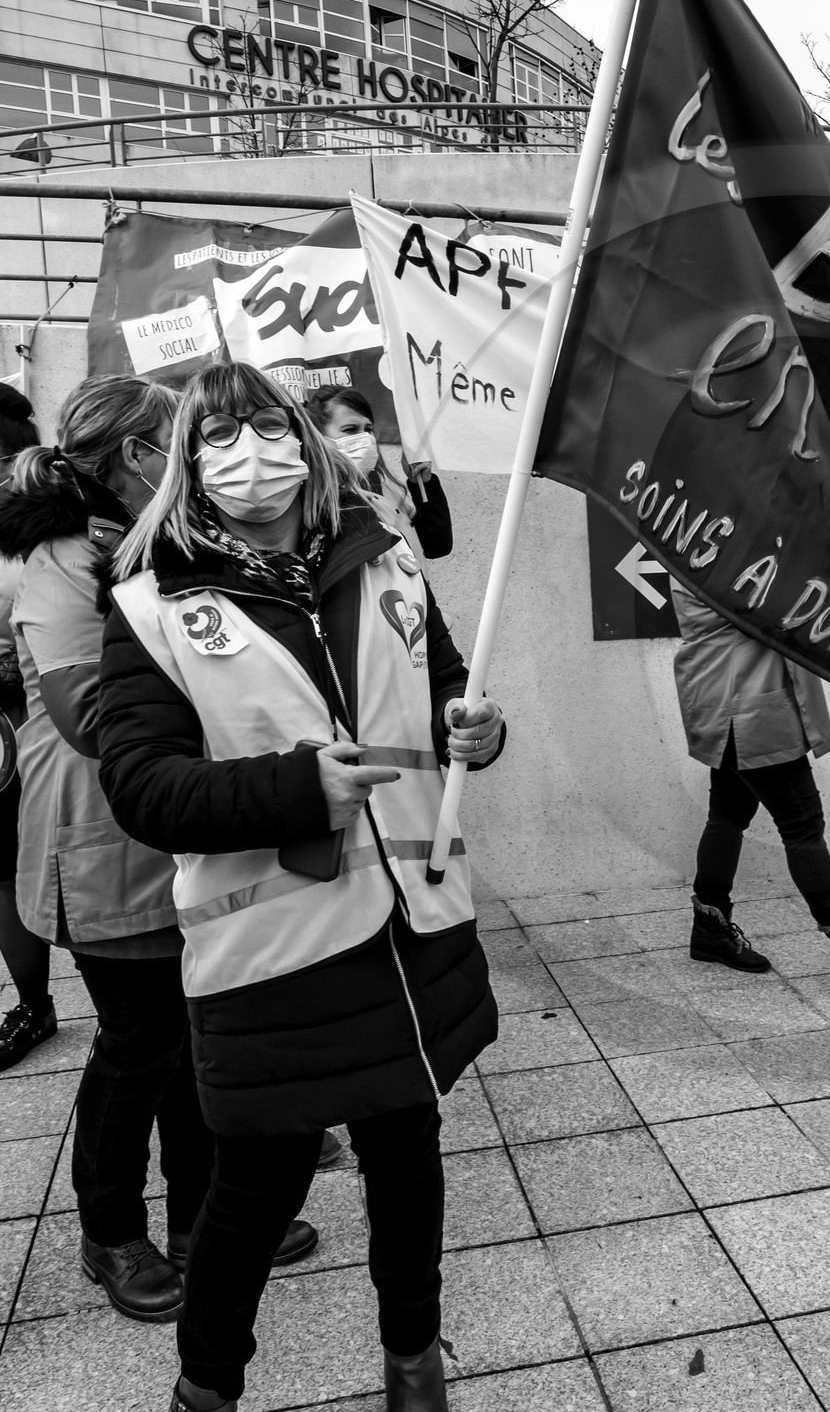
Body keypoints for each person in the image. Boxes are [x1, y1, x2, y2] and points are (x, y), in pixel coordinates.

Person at [98, 363, 502, 1412]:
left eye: (266, 426)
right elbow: (141, 785)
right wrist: (293, 787)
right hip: (277, 952)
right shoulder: (151, 603)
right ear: (186, 463)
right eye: (217, 437)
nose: (249, 453)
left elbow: (444, 678)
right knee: (254, 1189)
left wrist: (476, 724)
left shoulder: (386, 558)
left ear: (302, 436)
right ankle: (207, 1388)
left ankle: (413, 1361)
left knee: (408, 1154)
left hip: (414, 923)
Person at [0, 375, 318, 1325]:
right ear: (144, 456)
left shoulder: (153, 542)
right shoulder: (59, 553)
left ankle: (196, 1217)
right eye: (189, 442)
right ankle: (110, 1233)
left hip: (172, 824)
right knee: (137, 1045)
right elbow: (87, 714)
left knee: (191, 1030)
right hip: (98, 827)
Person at [670, 580, 830, 982]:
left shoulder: (695, 538)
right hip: (749, 710)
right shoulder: (720, 546)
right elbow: (779, 601)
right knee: (802, 826)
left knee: (728, 815)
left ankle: (710, 928)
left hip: (728, 702)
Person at [0, 381, 54, 1071]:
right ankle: (34, 1003)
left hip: (47, 722)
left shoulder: (50, 522)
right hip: (5, 735)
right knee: (4, 870)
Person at [306, 386, 452, 560]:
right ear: (318, 437)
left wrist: (423, 483)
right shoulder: (310, 502)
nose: (365, 438)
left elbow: (437, 546)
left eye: (368, 429)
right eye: (350, 430)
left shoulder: (386, 487)